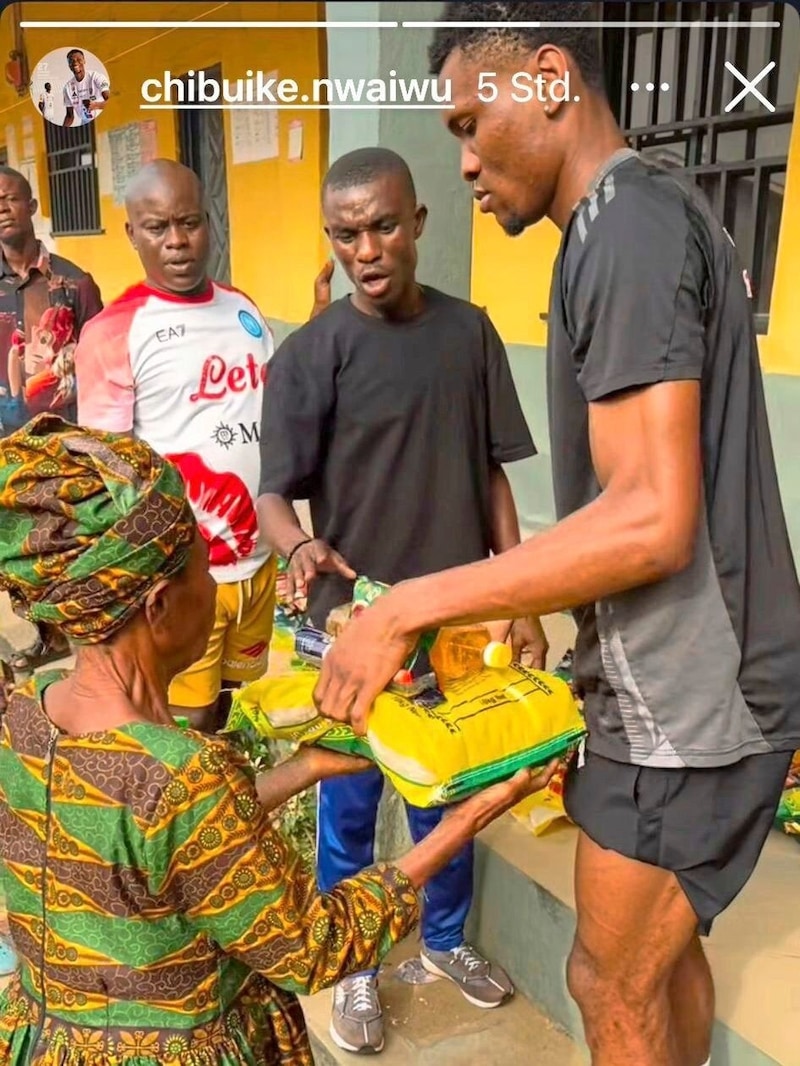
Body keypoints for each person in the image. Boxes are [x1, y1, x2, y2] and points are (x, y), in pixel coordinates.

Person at [310, 6, 800, 1066]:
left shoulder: (624, 226)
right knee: (655, 961)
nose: (467, 163)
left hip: (693, 699)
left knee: (605, 977)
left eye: (469, 123)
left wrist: (404, 606)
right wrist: (530, 597)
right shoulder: (628, 219)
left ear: (544, 79)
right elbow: (637, 495)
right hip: (671, 682)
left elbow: (651, 517)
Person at [0, 413, 557, 1066]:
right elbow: (313, 947)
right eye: (204, 569)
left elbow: (163, 850)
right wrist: (462, 822)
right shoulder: (183, 776)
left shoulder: (25, 717)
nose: (215, 587)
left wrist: (305, 767)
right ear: (157, 606)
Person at [258, 146, 548, 1055]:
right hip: (352, 619)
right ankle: (354, 970)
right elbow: (274, 496)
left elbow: (494, 474)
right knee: (350, 798)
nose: (368, 249)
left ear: (417, 223)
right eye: (347, 234)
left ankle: (446, 940)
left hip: (457, 619)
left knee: (446, 790)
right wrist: (303, 547)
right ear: (333, 240)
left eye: (384, 226)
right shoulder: (312, 355)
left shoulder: (470, 334)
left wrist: (524, 592)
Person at [75, 158, 278, 736]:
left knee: (235, 700)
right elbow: (109, 472)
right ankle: (194, 817)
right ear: (132, 234)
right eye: (158, 228)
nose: (178, 242)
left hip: (259, 560)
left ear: (209, 221)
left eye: (189, 222)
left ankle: (233, 798)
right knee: (184, 718)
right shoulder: (115, 332)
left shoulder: (243, 308)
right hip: (184, 578)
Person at [0, 164, 103, 674]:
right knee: (18, 543)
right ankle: (44, 632)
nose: (2, 207)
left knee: (66, 536)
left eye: (11, 198)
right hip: (5, 436)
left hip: (63, 437)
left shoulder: (73, 281)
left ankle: (79, 629)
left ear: (33, 206)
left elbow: (102, 356)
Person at [62, 49, 109, 127]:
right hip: (85, 123)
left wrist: (96, 105)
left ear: (84, 61)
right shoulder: (67, 87)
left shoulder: (96, 77)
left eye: (79, 60)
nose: (75, 63)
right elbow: (70, 116)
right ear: (69, 65)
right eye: (71, 61)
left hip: (103, 120)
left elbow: (110, 100)